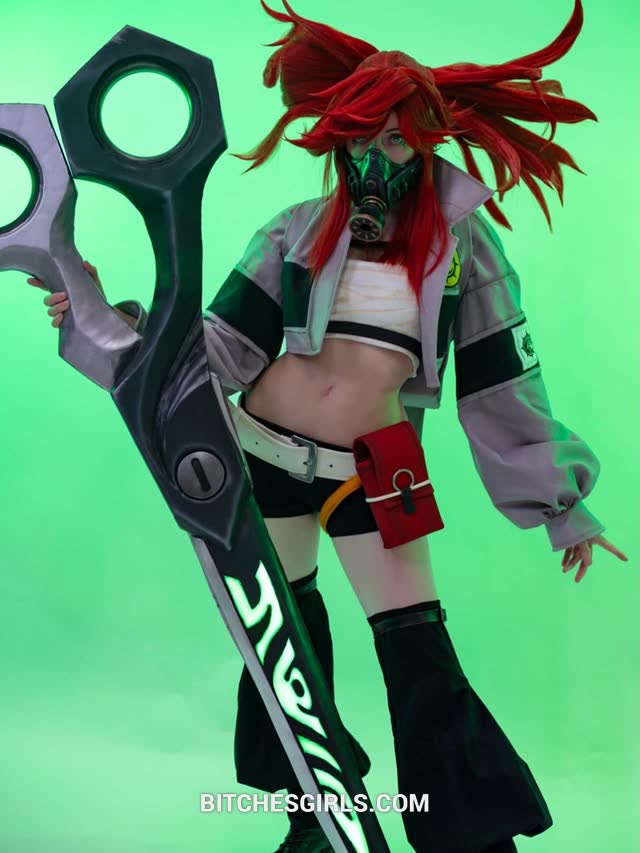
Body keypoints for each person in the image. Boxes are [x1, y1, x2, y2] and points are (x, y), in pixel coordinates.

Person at [28, 1, 628, 851]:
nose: (377, 157)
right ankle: (315, 814)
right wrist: (109, 314)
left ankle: (470, 834)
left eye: (397, 140)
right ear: (336, 138)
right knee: (282, 647)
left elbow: (502, 383)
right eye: (362, 136)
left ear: (428, 143)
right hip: (261, 451)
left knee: (417, 646)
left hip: (378, 468)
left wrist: (562, 505)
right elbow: (220, 349)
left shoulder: (464, 249)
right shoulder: (298, 231)